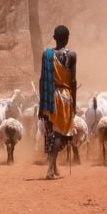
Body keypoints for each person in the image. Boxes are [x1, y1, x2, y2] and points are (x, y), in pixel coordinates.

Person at [38, 25, 77, 180]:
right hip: (65, 96)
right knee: (61, 133)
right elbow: (73, 81)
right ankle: (50, 170)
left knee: (52, 132)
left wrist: (42, 103)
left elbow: (42, 80)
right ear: (67, 38)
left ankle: (54, 168)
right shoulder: (72, 55)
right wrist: (74, 103)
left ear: (54, 38)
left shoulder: (46, 54)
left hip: (49, 96)